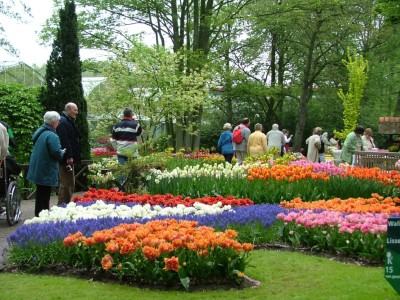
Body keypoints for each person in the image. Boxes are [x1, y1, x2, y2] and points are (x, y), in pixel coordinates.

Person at [27, 112, 65, 217]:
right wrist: (62, 152)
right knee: (45, 194)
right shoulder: (52, 135)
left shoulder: (41, 132)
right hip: (46, 168)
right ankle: (43, 215)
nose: (58, 123)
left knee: (40, 193)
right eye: (58, 122)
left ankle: (39, 214)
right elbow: (56, 153)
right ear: (53, 123)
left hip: (38, 167)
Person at [56, 102, 81, 206]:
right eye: (75, 110)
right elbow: (65, 141)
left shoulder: (67, 121)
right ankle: (62, 206)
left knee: (69, 183)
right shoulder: (64, 122)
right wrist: (69, 156)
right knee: (68, 183)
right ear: (68, 110)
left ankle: (64, 204)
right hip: (66, 158)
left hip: (67, 157)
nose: (77, 112)